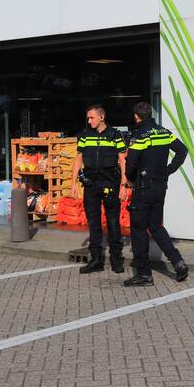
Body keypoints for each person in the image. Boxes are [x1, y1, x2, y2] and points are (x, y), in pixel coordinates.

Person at [122, 101, 189, 287]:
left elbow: (132, 163)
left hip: (143, 189)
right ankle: (178, 262)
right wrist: (168, 170)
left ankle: (144, 275)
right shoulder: (164, 132)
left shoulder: (139, 135)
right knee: (156, 227)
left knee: (138, 230)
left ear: (136, 116)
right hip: (160, 187)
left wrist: (127, 178)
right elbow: (182, 150)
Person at [71, 105, 128, 274]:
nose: (89, 121)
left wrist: (124, 184)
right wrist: (73, 183)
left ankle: (116, 259)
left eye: (92, 117)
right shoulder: (84, 135)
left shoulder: (114, 135)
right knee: (93, 223)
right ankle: (96, 260)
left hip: (110, 183)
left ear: (101, 117)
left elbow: (123, 160)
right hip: (91, 184)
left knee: (112, 222)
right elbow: (78, 159)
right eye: (88, 118)